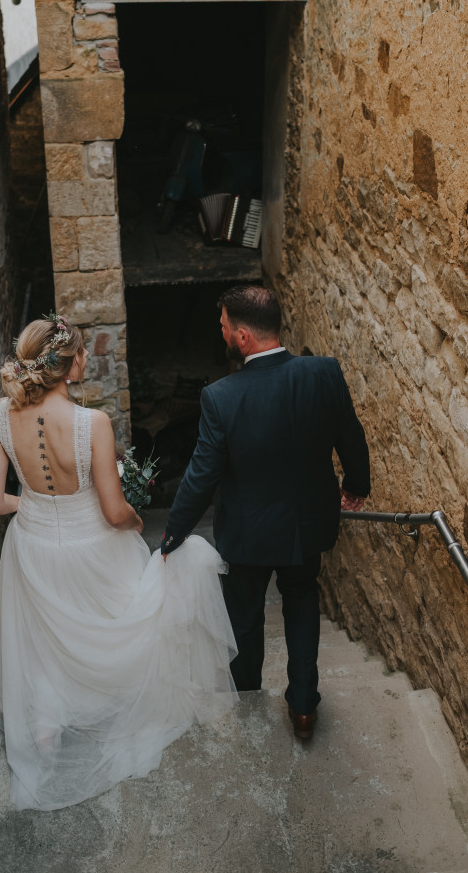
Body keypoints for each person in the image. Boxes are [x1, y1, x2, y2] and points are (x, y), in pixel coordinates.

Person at [0, 316, 237, 811]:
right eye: (84, 353)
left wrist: (32, 507)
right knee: (120, 619)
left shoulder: (0, 415)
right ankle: (112, 709)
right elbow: (114, 512)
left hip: (32, 545)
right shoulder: (93, 424)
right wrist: (137, 521)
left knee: (46, 641)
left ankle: (45, 730)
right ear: (70, 367)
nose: (86, 360)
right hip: (93, 544)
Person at [162, 286, 370, 740]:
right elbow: (350, 437)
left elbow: (202, 475)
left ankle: (250, 697)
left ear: (241, 338)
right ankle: (302, 706)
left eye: (221, 327)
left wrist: (172, 534)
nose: (219, 332)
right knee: (301, 601)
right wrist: (356, 486)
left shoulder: (220, 397)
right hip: (305, 525)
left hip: (247, 533)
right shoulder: (324, 373)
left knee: (244, 618)